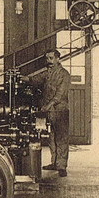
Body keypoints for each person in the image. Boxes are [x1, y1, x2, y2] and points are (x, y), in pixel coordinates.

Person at [26, 50, 71, 178]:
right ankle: (54, 163)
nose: (49, 61)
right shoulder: (48, 73)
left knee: (61, 138)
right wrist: (26, 79)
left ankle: (62, 166)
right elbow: (36, 80)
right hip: (49, 110)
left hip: (60, 110)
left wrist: (48, 105)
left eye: (51, 58)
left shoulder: (64, 75)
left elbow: (60, 95)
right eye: (47, 58)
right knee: (51, 137)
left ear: (58, 59)